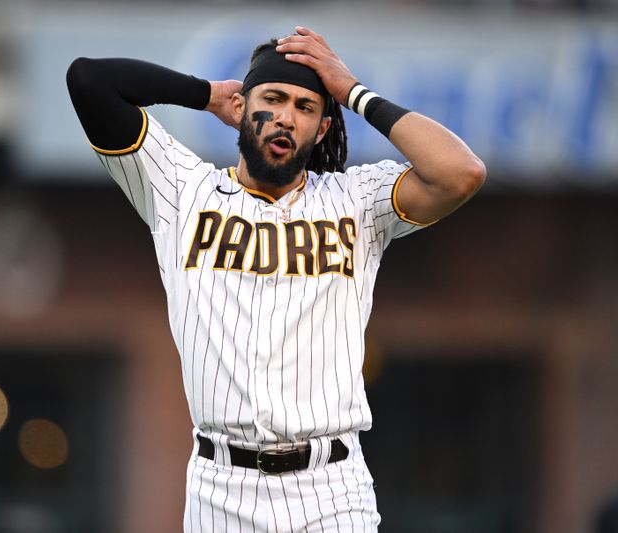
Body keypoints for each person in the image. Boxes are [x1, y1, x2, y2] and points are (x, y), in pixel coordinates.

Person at [66, 26, 485, 532]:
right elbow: (89, 81)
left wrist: (352, 91)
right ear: (242, 107)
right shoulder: (181, 190)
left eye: (306, 107)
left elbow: (461, 173)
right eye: (273, 98)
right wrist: (205, 95)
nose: (286, 116)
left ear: (323, 129)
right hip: (220, 487)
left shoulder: (357, 201)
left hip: (331, 488)